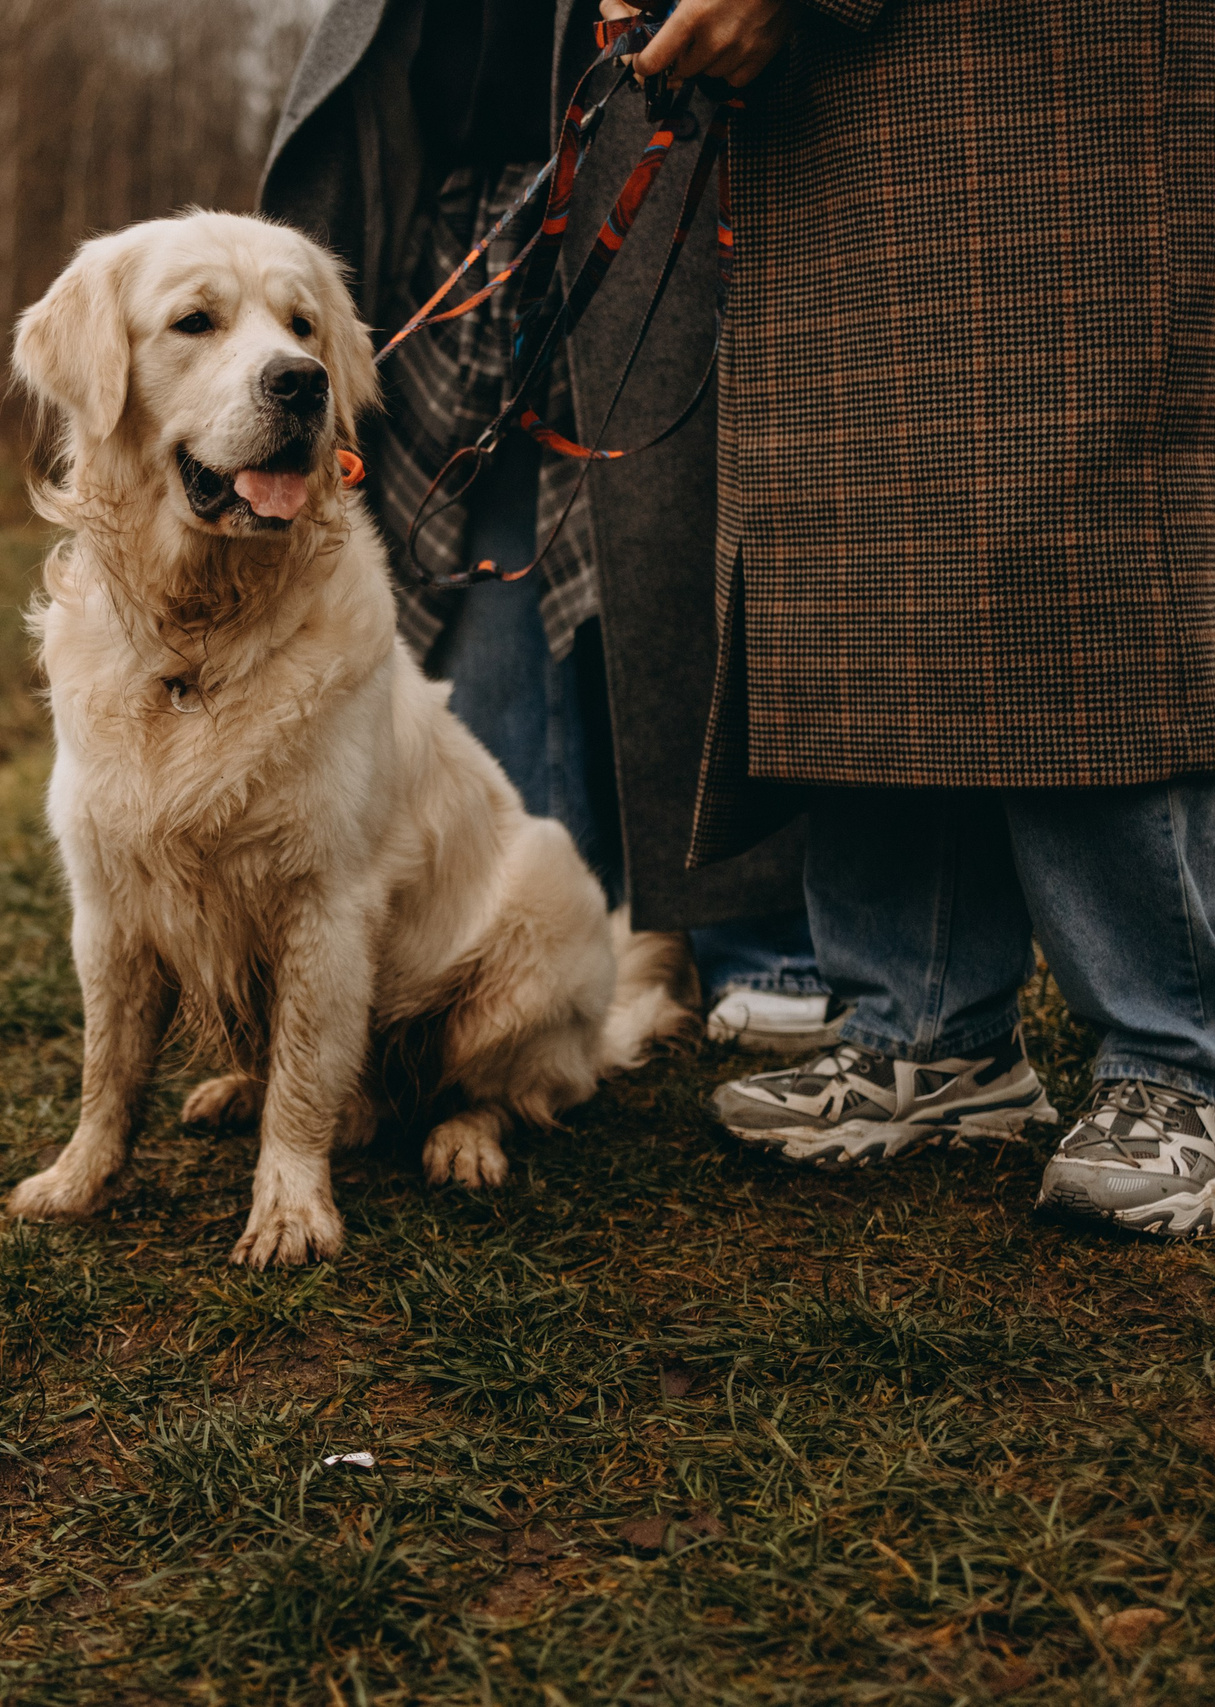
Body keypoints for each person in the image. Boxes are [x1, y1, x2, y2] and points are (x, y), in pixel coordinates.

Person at [600, 0, 1215, 1237]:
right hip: (848, 80)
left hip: (1075, 53)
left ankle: (1181, 1062)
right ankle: (924, 1032)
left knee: (1076, 524)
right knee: (859, 528)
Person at [261, 0, 845, 1055]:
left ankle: (758, 940)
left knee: (684, 567)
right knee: (484, 612)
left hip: (668, 181)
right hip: (470, 219)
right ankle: (564, 949)